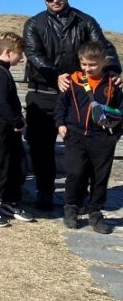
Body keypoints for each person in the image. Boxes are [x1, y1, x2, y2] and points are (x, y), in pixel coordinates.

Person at [23, 0, 121, 211]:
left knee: (86, 146)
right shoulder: (34, 24)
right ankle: (44, 191)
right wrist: (55, 74)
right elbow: (34, 54)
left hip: (80, 91)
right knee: (40, 146)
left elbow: (104, 47)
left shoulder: (86, 21)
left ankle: (82, 196)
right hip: (44, 90)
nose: (55, 0)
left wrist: (115, 70)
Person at [54, 41, 122, 234]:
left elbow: (120, 110)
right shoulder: (73, 80)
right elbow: (61, 105)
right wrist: (60, 124)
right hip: (75, 135)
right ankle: (71, 207)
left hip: (102, 138)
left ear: (103, 62)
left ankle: (95, 212)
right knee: (75, 173)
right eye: (84, 64)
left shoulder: (113, 83)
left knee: (100, 177)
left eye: (92, 65)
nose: (87, 68)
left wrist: (115, 135)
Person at [0, 33, 34, 227]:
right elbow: (1, 104)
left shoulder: (3, 71)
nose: (22, 58)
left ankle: (9, 202)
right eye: (20, 53)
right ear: (8, 52)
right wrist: (18, 122)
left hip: (9, 129)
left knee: (16, 165)